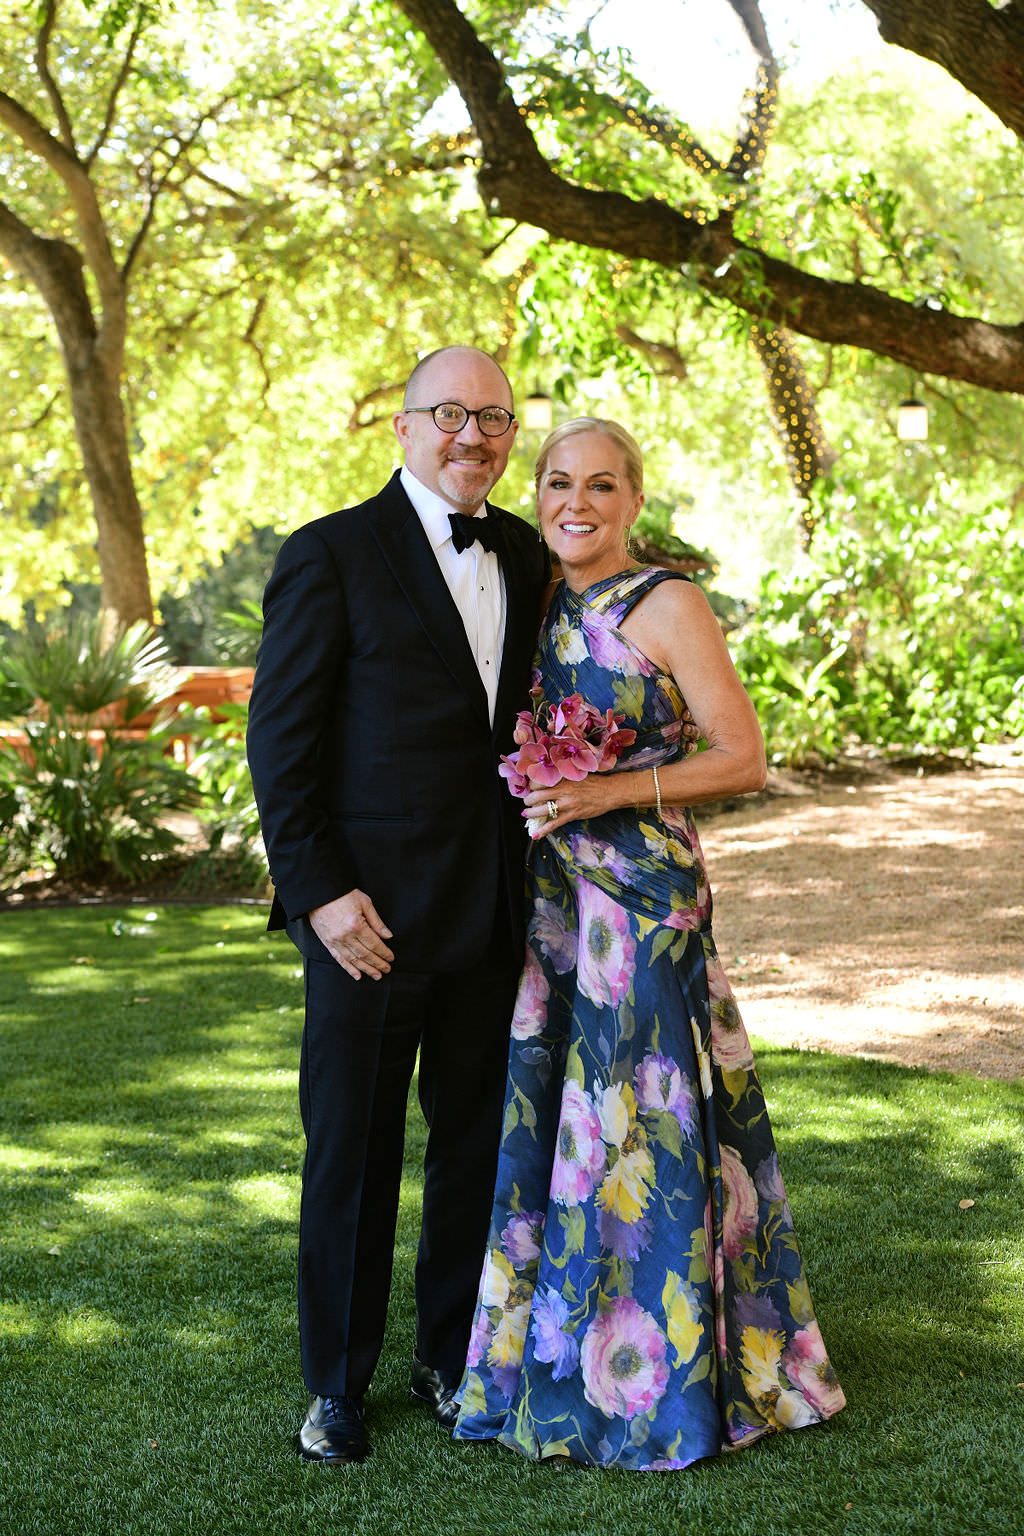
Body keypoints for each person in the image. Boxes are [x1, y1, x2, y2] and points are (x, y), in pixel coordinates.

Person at [453, 418, 846, 1470]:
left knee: (647, 1126)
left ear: (633, 500)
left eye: (599, 485)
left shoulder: (667, 603)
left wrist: (605, 793)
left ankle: (666, 1383)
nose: (575, 503)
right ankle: (556, 1360)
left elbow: (742, 756)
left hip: (643, 903)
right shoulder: (536, 599)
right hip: (553, 905)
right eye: (556, 483)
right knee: (567, 1128)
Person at [246, 346, 550, 1464]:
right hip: (365, 922)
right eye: (451, 414)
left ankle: (447, 1358)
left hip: (490, 910)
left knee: (473, 1150)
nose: (474, 436)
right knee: (354, 1153)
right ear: (404, 426)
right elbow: (279, 745)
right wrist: (319, 894)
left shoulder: (527, 552)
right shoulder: (329, 552)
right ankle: (335, 1386)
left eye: (495, 418)